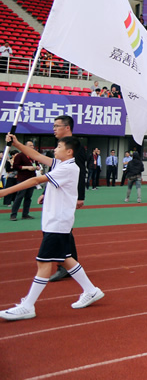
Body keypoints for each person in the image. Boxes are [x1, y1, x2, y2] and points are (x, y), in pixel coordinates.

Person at [0, 134, 104, 320]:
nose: (54, 149)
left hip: (57, 222)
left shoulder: (69, 168)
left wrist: (5, 191)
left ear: (69, 151)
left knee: (43, 263)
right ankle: (91, 290)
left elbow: (35, 181)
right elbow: (38, 156)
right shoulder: (62, 164)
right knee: (65, 258)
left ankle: (28, 305)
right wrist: (16, 143)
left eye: (58, 147)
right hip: (56, 221)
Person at [45, 115, 86, 283]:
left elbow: (81, 171)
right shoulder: (60, 147)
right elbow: (55, 171)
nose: (54, 129)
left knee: (64, 231)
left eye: (57, 126)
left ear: (67, 128)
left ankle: (65, 266)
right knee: (64, 232)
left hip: (68, 197)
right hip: (57, 194)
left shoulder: (74, 147)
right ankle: (67, 264)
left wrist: (80, 196)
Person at [10, 141, 39, 221]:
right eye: (30, 145)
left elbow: (37, 164)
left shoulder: (33, 155)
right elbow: (15, 166)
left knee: (28, 197)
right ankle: (13, 214)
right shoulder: (20, 155)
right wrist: (26, 167)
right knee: (19, 196)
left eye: (33, 145)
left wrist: (37, 167)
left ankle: (25, 214)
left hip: (32, 178)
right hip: (22, 179)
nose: (32, 147)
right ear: (25, 146)